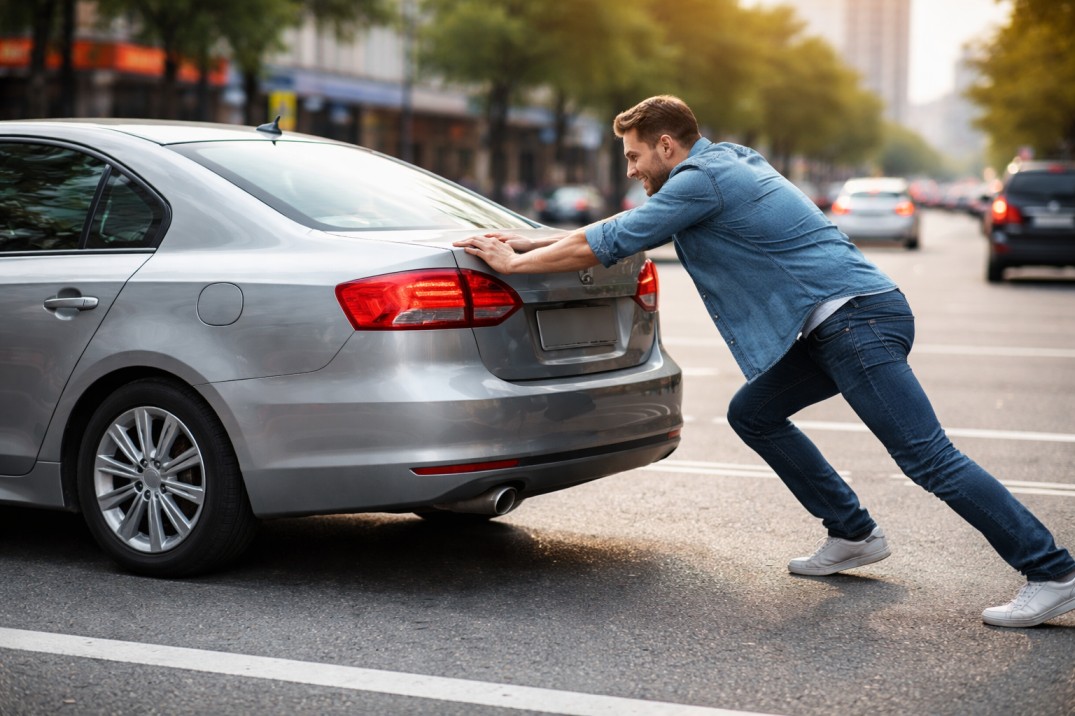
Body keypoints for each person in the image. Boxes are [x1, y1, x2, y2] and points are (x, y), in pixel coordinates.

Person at [454, 95, 1075, 628]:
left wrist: (514, 263)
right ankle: (853, 533)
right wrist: (522, 239)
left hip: (856, 321)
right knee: (753, 412)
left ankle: (1051, 570)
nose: (633, 167)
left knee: (928, 458)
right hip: (844, 321)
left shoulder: (703, 181)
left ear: (666, 146)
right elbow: (628, 223)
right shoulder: (726, 162)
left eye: (635, 156)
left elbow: (614, 240)